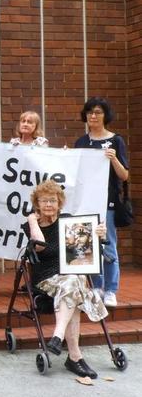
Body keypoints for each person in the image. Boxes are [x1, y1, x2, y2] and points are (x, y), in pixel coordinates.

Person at [25, 180, 107, 379]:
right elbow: (40, 245)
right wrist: (32, 221)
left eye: (52, 201)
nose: (48, 205)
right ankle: (74, 357)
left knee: (73, 282)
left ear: (59, 203)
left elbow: (85, 248)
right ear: (37, 204)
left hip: (69, 279)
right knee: (75, 285)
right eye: (44, 201)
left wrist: (97, 235)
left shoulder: (69, 222)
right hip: (46, 279)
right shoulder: (31, 225)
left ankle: (60, 340)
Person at [74, 97, 129, 307]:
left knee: (108, 245)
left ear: (106, 115)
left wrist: (113, 158)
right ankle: (96, 286)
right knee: (88, 244)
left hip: (108, 202)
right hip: (85, 202)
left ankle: (111, 289)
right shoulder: (81, 142)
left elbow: (124, 175)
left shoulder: (116, 140)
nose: (93, 116)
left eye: (97, 112)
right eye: (89, 112)